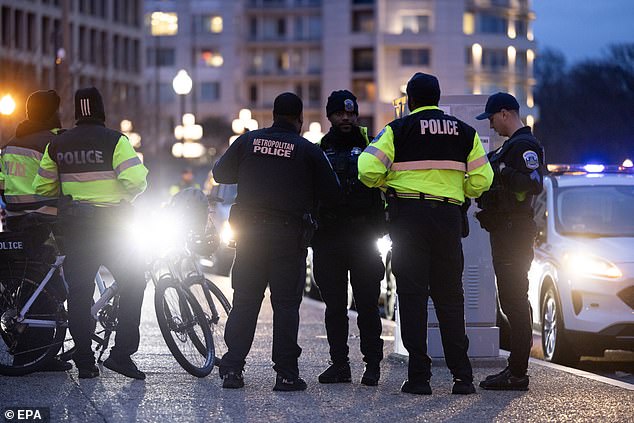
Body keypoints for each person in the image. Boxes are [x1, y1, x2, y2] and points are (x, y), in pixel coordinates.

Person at [358, 72, 493, 395]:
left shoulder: (398, 129)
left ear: (411, 100)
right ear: (438, 98)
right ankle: (463, 377)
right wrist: (457, 189)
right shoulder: (464, 132)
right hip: (447, 219)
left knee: (413, 298)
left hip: (409, 220)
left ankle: (419, 377)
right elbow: (482, 180)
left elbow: (367, 169)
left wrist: (387, 182)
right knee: (450, 298)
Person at [212, 92, 340, 391]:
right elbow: (332, 193)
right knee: (285, 306)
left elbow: (220, 173)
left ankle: (232, 369)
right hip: (287, 238)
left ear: (273, 115)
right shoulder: (307, 150)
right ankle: (285, 374)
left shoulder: (248, 141)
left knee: (245, 301)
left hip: (250, 236)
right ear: (299, 120)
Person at [33, 87, 149, 380]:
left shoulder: (58, 144)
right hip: (113, 230)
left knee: (80, 294)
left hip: (75, 231)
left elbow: (42, 188)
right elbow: (136, 181)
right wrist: (120, 198)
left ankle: (84, 363)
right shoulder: (115, 141)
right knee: (134, 282)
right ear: (101, 110)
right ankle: (121, 355)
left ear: (75, 111)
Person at [312, 90, 385, 386]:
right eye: (340, 113)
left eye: (350, 113)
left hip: (364, 238)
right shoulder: (319, 150)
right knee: (334, 308)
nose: (346, 118)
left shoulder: (373, 147)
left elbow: (387, 187)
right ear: (329, 116)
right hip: (329, 239)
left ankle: (372, 365)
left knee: (367, 305)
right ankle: (340, 364)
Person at [474, 92, 544, 391]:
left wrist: (500, 170)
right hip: (507, 233)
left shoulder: (525, 146)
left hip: (514, 234)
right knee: (512, 301)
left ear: (505, 113)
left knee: (515, 302)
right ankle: (515, 369)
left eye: (491, 119)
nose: (491, 126)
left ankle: (517, 373)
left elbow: (533, 183)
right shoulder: (510, 148)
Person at [0, 89, 71, 372]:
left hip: (16, 222)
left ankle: (28, 350)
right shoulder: (54, 143)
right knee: (50, 289)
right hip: (46, 222)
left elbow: (2, 185)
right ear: (49, 113)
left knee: (26, 287)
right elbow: (67, 183)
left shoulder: (10, 145)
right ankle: (40, 354)